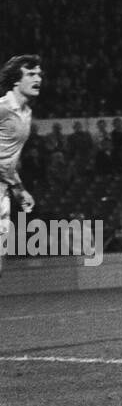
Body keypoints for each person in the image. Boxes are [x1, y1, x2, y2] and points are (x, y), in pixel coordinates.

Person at [0, 56, 41, 275]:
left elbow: (6, 159)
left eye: (39, 74)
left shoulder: (26, 114)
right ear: (16, 80)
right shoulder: (3, 108)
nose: (38, 78)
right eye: (31, 74)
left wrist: (19, 190)